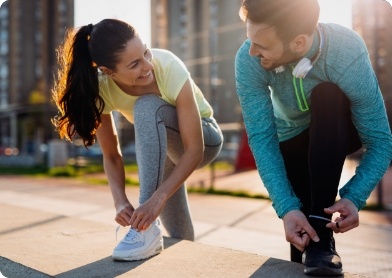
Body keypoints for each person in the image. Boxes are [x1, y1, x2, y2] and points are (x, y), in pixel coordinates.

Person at [235, 0, 392, 276]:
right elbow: (262, 139)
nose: (251, 50)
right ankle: (318, 244)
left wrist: (355, 197)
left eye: (261, 44)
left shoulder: (346, 50)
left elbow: (380, 142)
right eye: (250, 39)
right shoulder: (248, 60)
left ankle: (321, 225)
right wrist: (286, 208)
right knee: (304, 242)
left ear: (297, 43)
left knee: (327, 94)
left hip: (340, 130)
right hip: (291, 139)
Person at [52, 19, 223, 261]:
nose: (147, 66)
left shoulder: (168, 66)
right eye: (134, 64)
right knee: (179, 233)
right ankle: (180, 260)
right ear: (107, 71)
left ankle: (143, 232)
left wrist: (157, 198)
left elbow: (195, 150)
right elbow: (111, 154)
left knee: (146, 107)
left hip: (205, 140)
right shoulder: (102, 89)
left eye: (145, 52)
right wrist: (120, 201)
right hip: (163, 149)